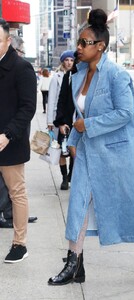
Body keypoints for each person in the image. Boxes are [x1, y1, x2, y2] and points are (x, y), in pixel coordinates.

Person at [48, 9, 134, 285]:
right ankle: (74, 263)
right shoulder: (77, 75)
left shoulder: (116, 75)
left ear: (100, 46)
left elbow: (125, 113)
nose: (78, 48)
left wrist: (87, 125)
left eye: (83, 43)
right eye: (78, 42)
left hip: (118, 154)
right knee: (77, 203)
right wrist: (74, 142)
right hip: (90, 153)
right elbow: (78, 116)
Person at [0, 18, 37, 262]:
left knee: (16, 193)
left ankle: (19, 244)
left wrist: (8, 134)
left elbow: (28, 107)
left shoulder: (22, 68)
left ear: (8, 40)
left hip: (9, 142)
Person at [47, 50, 75, 190]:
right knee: (61, 150)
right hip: (60, 118)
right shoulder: (56, 77)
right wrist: (50, 121)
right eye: (66, 60)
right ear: (62, 62)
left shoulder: (77, 76)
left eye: (71, 60)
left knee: (73, 150)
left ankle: (71, 174)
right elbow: (51, 100)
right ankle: (64, 178)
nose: (69, 62)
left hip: (73, 118)